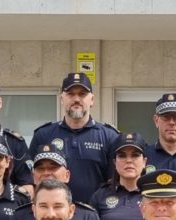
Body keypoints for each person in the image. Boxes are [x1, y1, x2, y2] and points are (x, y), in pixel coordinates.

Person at [30, 73, 121, 205]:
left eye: (82, 94)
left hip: (95, 215)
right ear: (62, 98)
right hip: (53, 215)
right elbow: (32, 178)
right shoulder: (43, 135)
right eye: (71, 94)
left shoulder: (109, 137)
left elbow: (114, 182)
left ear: (92, 100)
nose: (76, 99)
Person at [91, 132, 150, 220]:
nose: (128, 160)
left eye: (135, 155)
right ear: (114, 162)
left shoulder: (153, 194)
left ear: (144, 162)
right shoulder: (100, 195)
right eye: (122, 156)